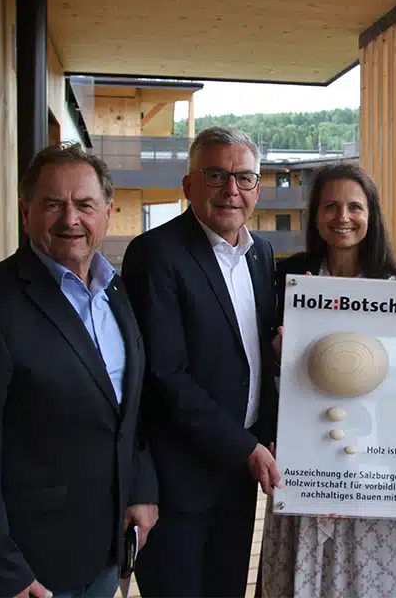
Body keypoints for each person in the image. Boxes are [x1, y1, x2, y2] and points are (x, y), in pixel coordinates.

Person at [0, 143, 158, 598]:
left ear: (108, 212)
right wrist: (3, 574)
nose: (70, 219)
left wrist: (140, 489)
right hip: (29, 569)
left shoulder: (115, 292)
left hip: (104, 551)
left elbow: (125, 411)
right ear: (26, 212)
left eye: (84, 204)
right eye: (53, 204)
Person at [121, 126, 280, 598]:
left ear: (257, 187)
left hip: (236, 479)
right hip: (177, 485)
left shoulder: (261, 255)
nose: (231, 190)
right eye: (216, 175)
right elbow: (166, 377)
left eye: (244, 177)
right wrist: (248, 449)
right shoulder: (156, 254)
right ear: (189, 186)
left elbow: (260, 357)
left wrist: (269, 432)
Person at [263, 162, 396, 598]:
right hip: (305, 454)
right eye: (330, 206)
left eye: (355, 206)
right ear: (315, 215)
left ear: (371, 215)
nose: (343, 217)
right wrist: (283, 348)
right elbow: (266, 366)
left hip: (372, 460)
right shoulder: (287, 279)